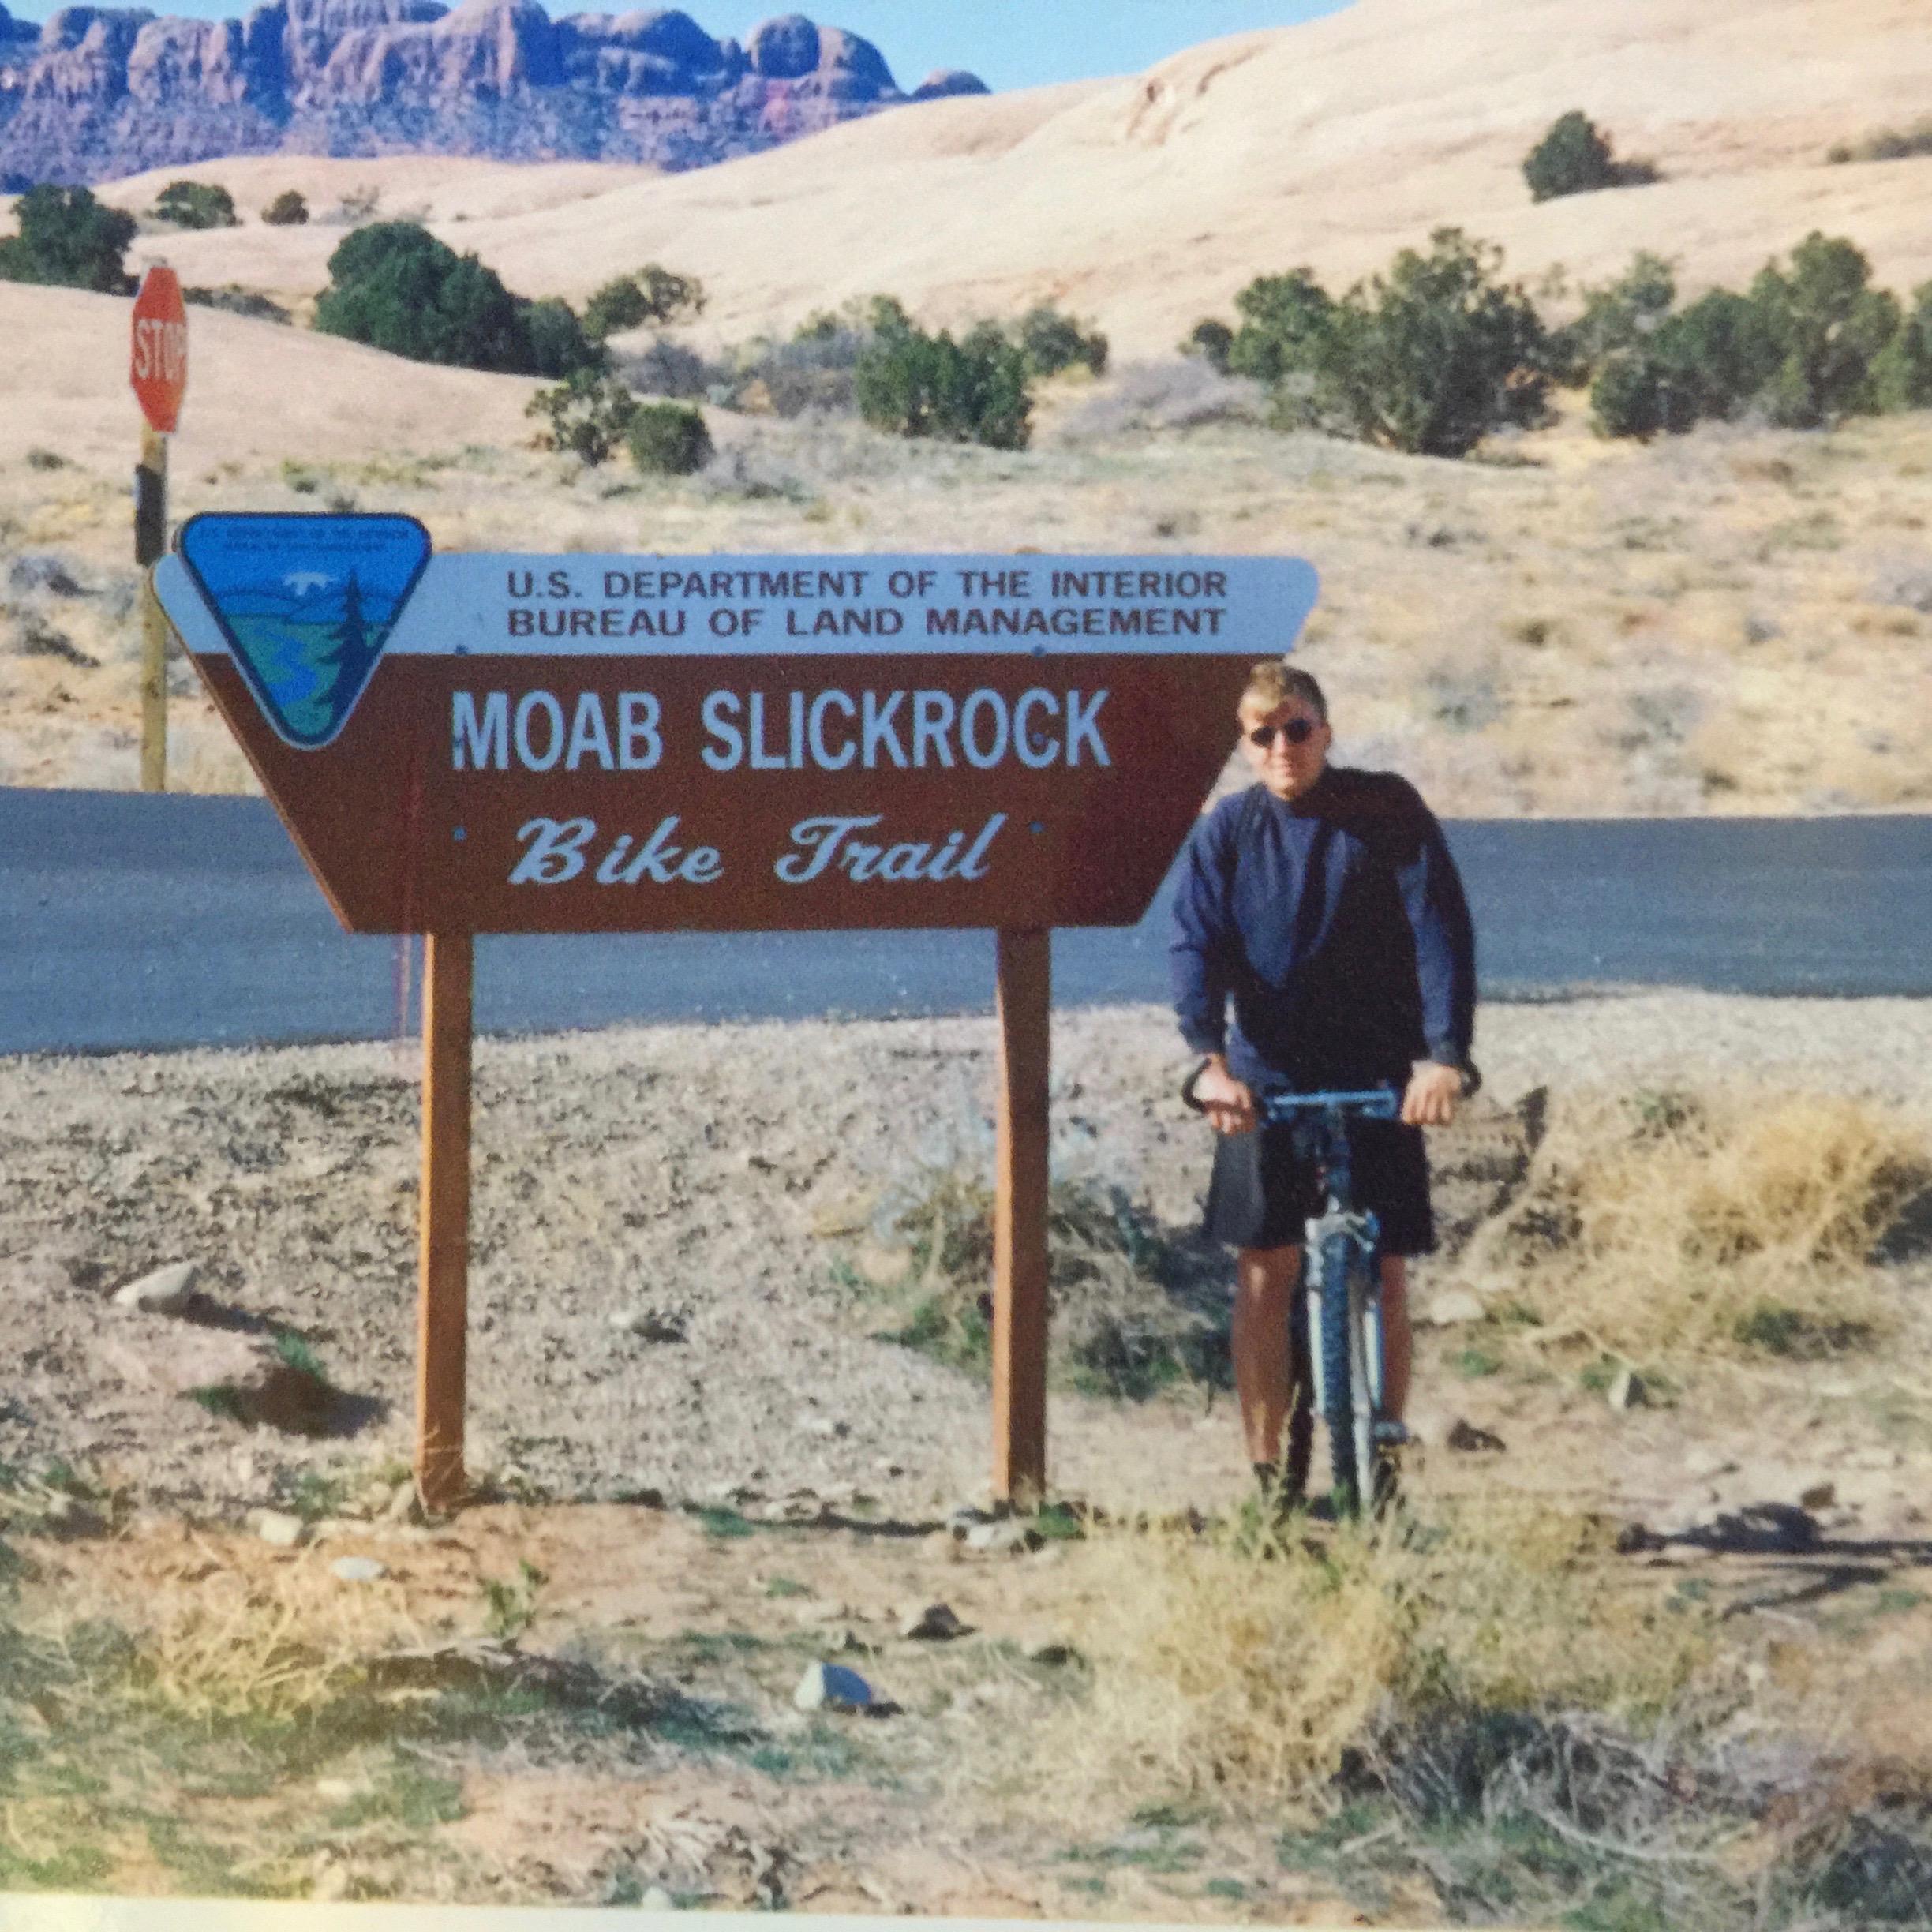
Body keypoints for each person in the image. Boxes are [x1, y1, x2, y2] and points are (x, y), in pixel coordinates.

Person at [1170, 660, 1477, 1509]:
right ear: (1245, 744)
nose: (1281, 748)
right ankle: (1269, 1478)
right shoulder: (1228, 832)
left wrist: (1443, 1057)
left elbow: (1440, 931)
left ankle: (1382, 1457)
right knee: (1264, 1275)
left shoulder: (1384, 810)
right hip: (1267, 1080)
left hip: (1381, 1071)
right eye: (1262, 734)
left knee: (1385, 1269)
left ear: (1326, 732)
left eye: (1296, 728)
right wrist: (1210, 1063)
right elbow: (1193, 944)